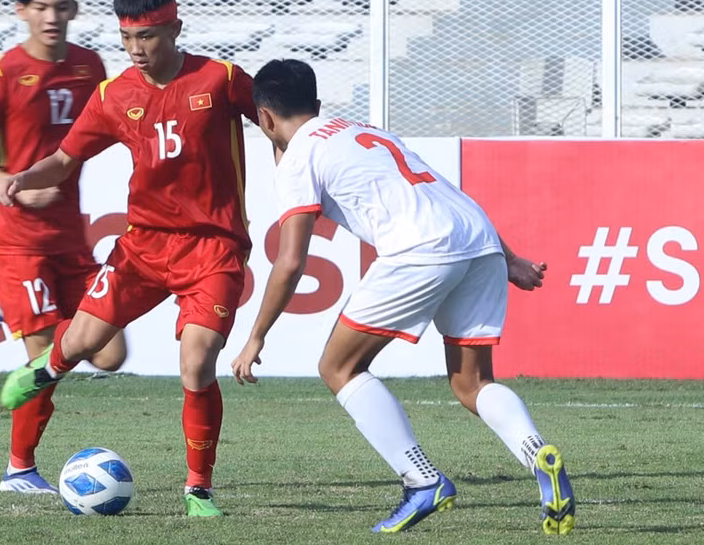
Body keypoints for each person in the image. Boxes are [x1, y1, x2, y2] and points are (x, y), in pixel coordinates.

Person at [230, 59, 575, 535]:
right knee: (472, 384)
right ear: (317, 104)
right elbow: (443, 192)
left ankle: (422, 480)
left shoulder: (298, 158)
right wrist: (509, 257)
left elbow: (290, 262)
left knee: (338, 367)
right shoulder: (363, 130)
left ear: (265, 117)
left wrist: (256, 336)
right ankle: (538, 455)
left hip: (419, 248)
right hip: (478, 239)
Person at [0, 0, 257, 517]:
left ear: (175, 29)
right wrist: (21, 179)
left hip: (214, 249)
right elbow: (64, 159)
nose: (136, 49)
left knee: (196, 363)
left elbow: (279, 123)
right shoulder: (114, 95)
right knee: (83, 340)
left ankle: (198, 489)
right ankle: (46, 370)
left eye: (148, 36)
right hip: (142, 248)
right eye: (127, 38)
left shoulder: (221, 79)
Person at [0, 0, 127, 494]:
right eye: (42, 7)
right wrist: (7, 182)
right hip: (18, 241)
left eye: (62, 6)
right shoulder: (2, 75)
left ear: (75, 9)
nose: (52, 17)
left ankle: (1, 302)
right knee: (46, 360)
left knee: (110, 354)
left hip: (71, 237)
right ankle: (19, 469)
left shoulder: (89, 67)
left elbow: (111, 129)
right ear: (21, 10)